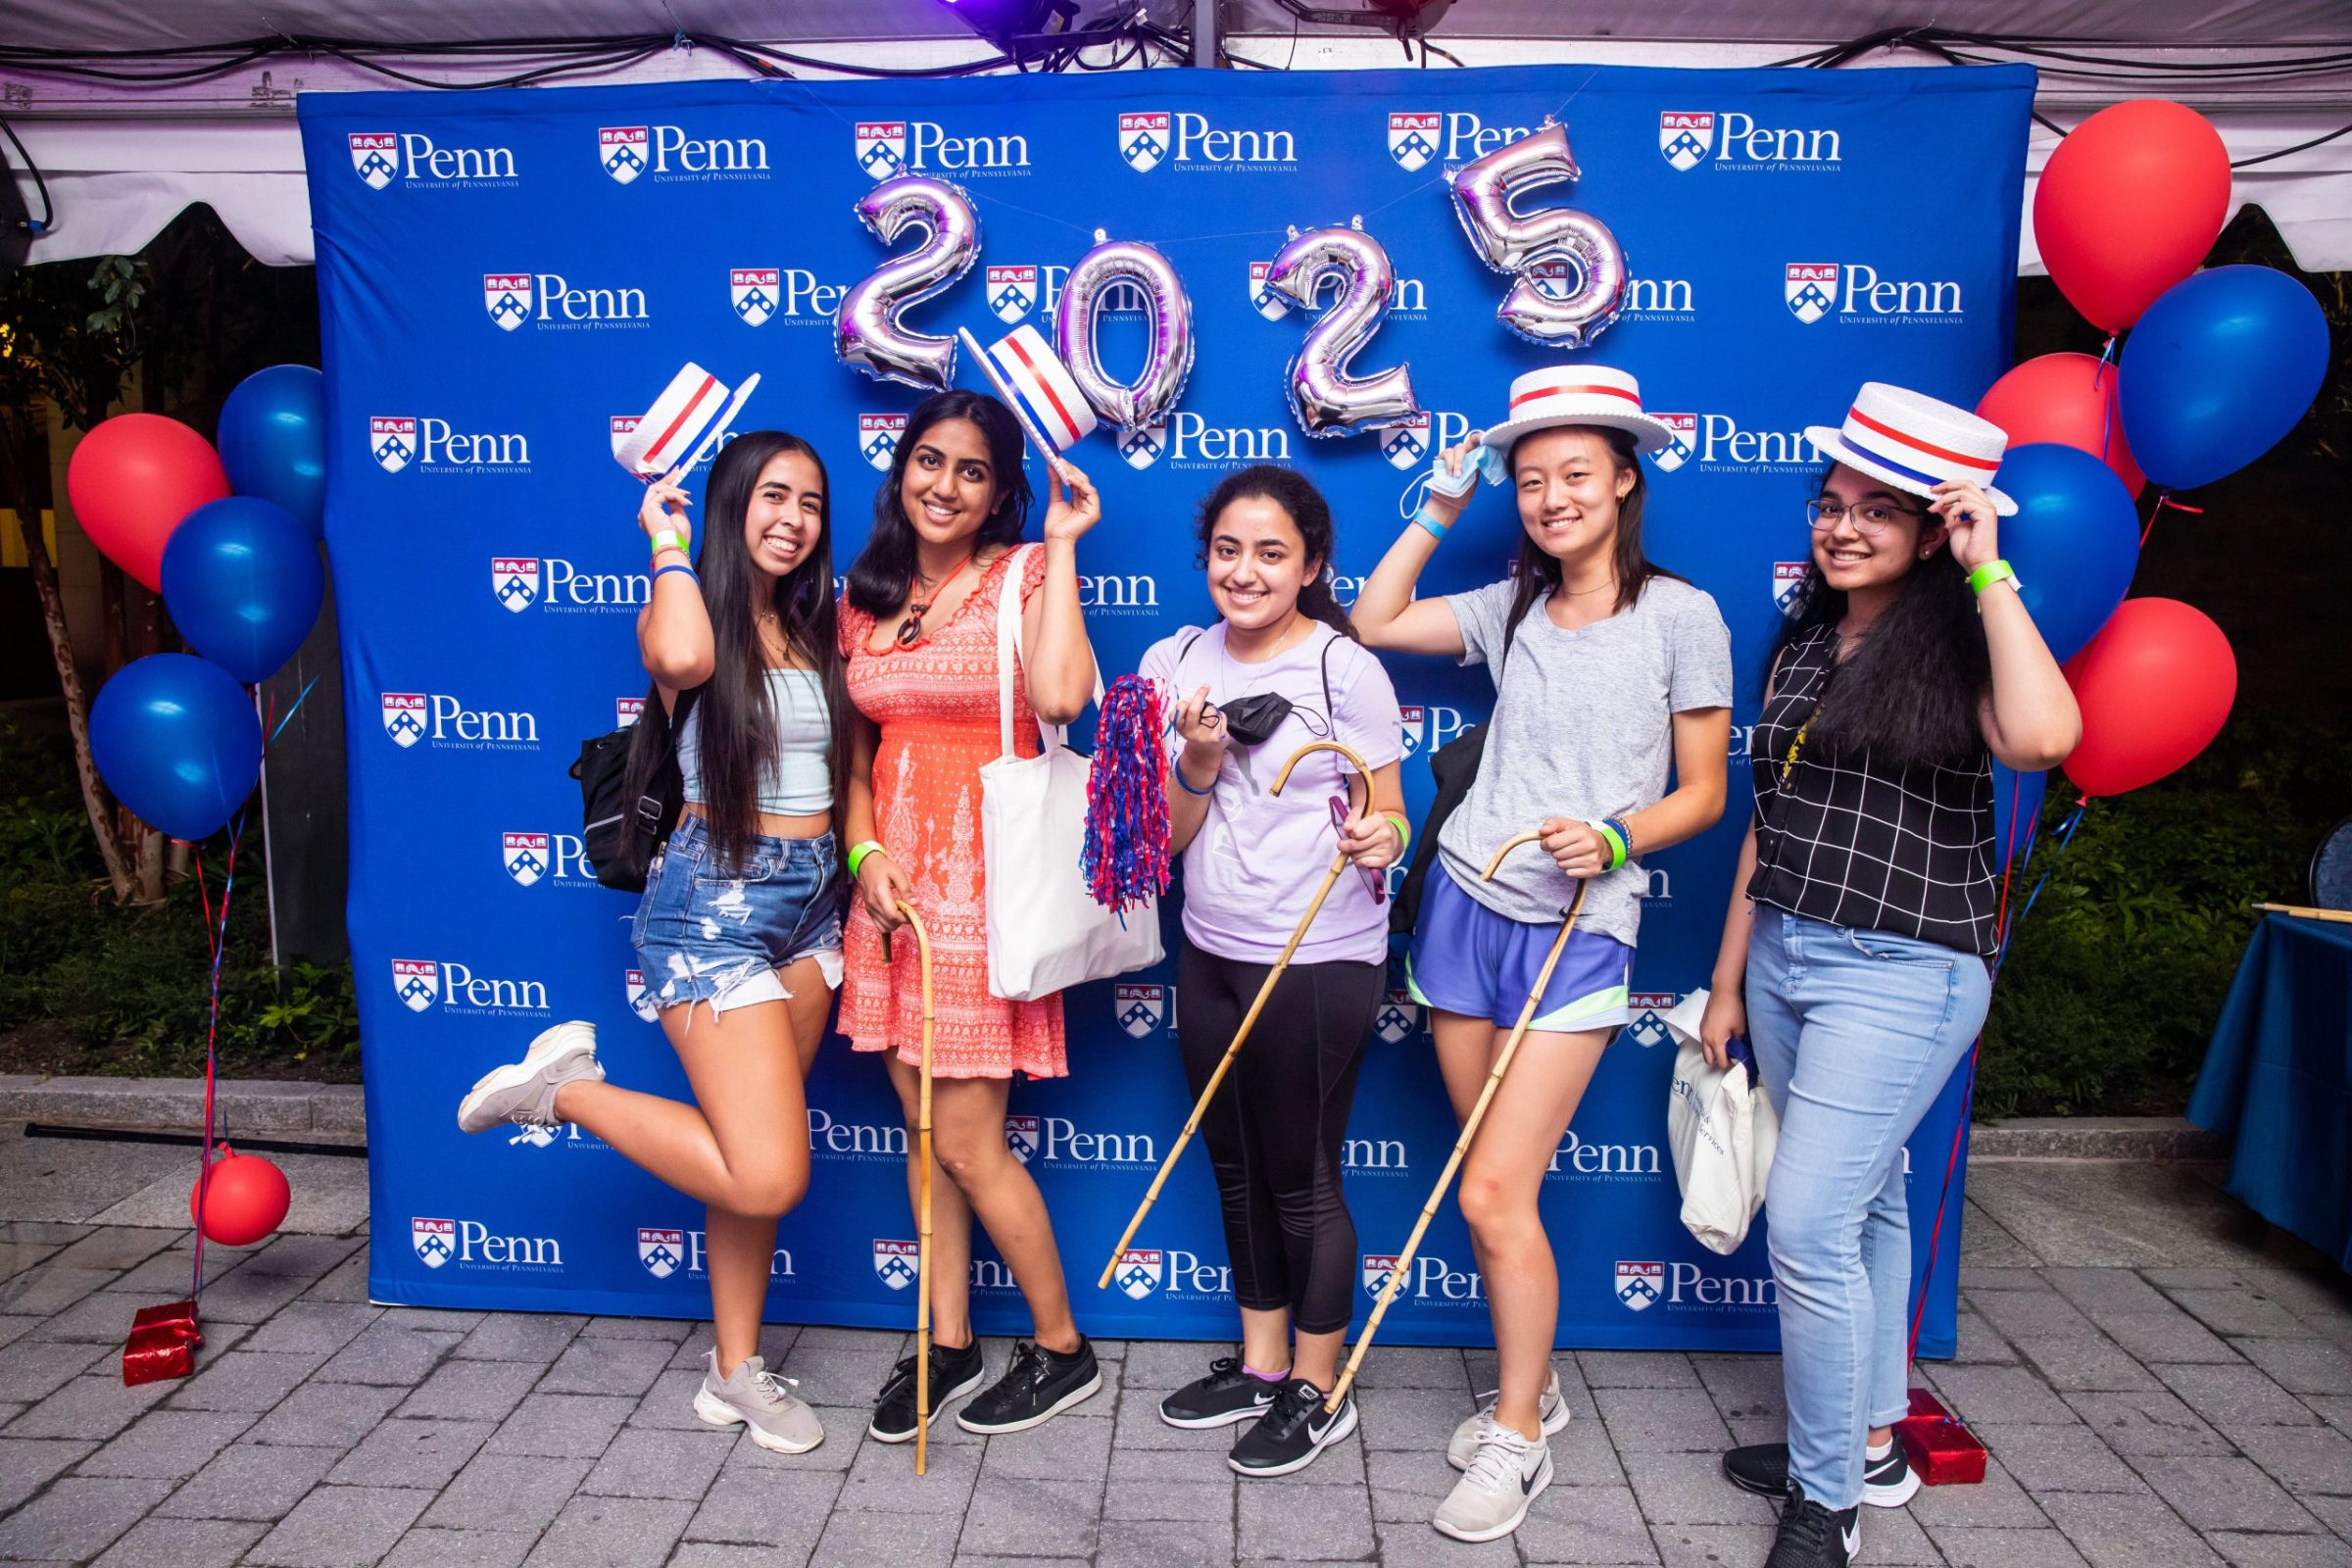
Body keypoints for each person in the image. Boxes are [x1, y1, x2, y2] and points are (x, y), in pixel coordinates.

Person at [1697, 384, 2079, 1568]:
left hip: (1906, 972)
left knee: (1809, 1223)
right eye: (1833, 503)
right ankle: (1865, 1441)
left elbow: (2045, 740)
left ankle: (1828, 1503)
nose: (1844, 526)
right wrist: (1726, 978)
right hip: (1789, 952)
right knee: (1869, 1207)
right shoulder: (1810, 636)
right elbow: (1773, 820)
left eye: (1879, 511)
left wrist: (1989, 569)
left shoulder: (1966, 636)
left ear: (1933, 528)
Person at [1352, 366, 1732, 1544]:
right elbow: (1372, 621)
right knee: (1486, 1177)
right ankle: (1544, 1389)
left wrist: (1617, 832)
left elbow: (1707, 792)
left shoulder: (1684, 616)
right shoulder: (1507, 603)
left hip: (1580, 930)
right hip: (1466, 904)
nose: (1553, 497)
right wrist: (1438, 510)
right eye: (1531, 480)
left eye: (1576, 474)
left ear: (1626, 478)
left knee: (1494, 1189)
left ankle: (1516, 1435)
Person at [455, 431, 849, 1454]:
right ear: (730, 506)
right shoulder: (694, 615)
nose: (793, 519)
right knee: (765, 1173)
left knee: (740, 1157)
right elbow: (677, 659)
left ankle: (734, 1370)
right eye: (771, 496)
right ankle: (562, 1089)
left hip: (813, 906)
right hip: (714, 906)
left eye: (810, 502)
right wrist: (667, 538)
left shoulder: (812, 627)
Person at [837, 388, 1105, 1443]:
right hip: (892, 891)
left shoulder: (1023, 574)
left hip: (984, 892)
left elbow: (1059, 696)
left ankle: (1061, 1348)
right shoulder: (865, 594)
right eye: (929, 461)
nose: (944, 485)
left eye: (973, 469)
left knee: (967, 1138)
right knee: (920, 1130)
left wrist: (1064, 547)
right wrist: (862, 854)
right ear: (901, 469)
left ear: (1001, 491)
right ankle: (946, 1340)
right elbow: (855, 755)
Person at [1137, 466, 1408, 1478]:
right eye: (1227, 550)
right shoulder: (1177, 657)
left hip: (1317, 955)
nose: (1244, 572)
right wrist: (1197, 760)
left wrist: (1379, 837)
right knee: (1236, 1163)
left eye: (1270, 553)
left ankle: (1315, 1384)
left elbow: (1391, 814)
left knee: (1302, 1175)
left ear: (1311, 565)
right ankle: (1259, 1365)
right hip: (1209, 945)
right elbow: (1165, 837)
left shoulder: (1346, 670)